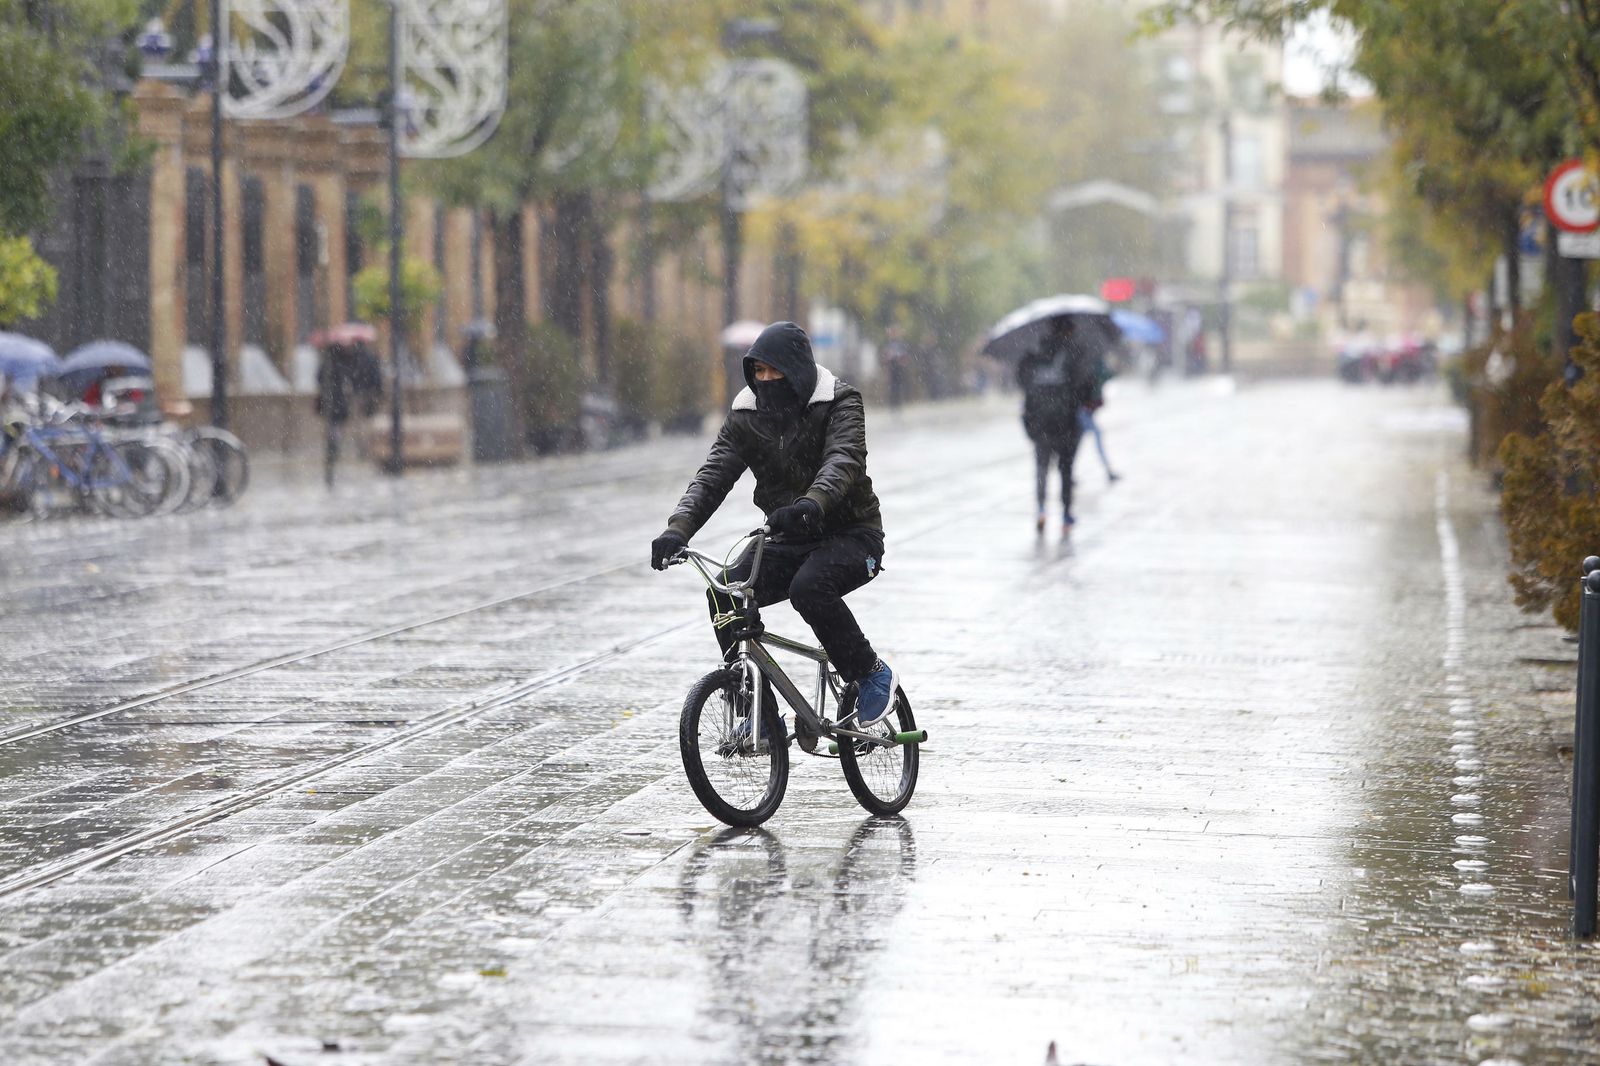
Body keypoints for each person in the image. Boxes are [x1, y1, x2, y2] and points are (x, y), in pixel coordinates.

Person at [650, 321, 897, 731]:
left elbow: (843, 460)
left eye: (775, 372)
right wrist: (678, 528)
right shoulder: (747, 416)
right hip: (789, 536)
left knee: (809, 587)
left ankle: (871, 672)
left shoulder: (839, 402)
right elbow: (713, 475)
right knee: (724, 594)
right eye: (758, 372)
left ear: (798, 370)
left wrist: (812, 503)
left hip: (853, 534)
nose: (766, 381)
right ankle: (760, 713)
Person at [1017, 316, 1100, 535]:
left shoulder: (1035, 354)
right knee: (1066, 470)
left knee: (1042, 469)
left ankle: (1041, 509)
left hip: (1041, 423)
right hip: (1066, 423)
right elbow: (1086, 388)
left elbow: (1022, 382)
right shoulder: (1075, 353)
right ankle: (1066, 515)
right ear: (1070, 330)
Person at [315, 340, 382, 487]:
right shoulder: (355, 360)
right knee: (357, 426)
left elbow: (319, 378)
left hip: (333, 403)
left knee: (336, 427)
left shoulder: (330, 362)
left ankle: (337, 448)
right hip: (344, 402)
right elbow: (367, 378)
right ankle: (358, 449)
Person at [1077, 346, 1119, 483]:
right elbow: (1106, 375)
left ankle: (1068, 470)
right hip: (1083, 411)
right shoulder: (1094, 364)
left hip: (1085, 410)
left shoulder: (1089, 363)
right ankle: (1108, 470)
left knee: (1078, 442)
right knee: (1096, 436)